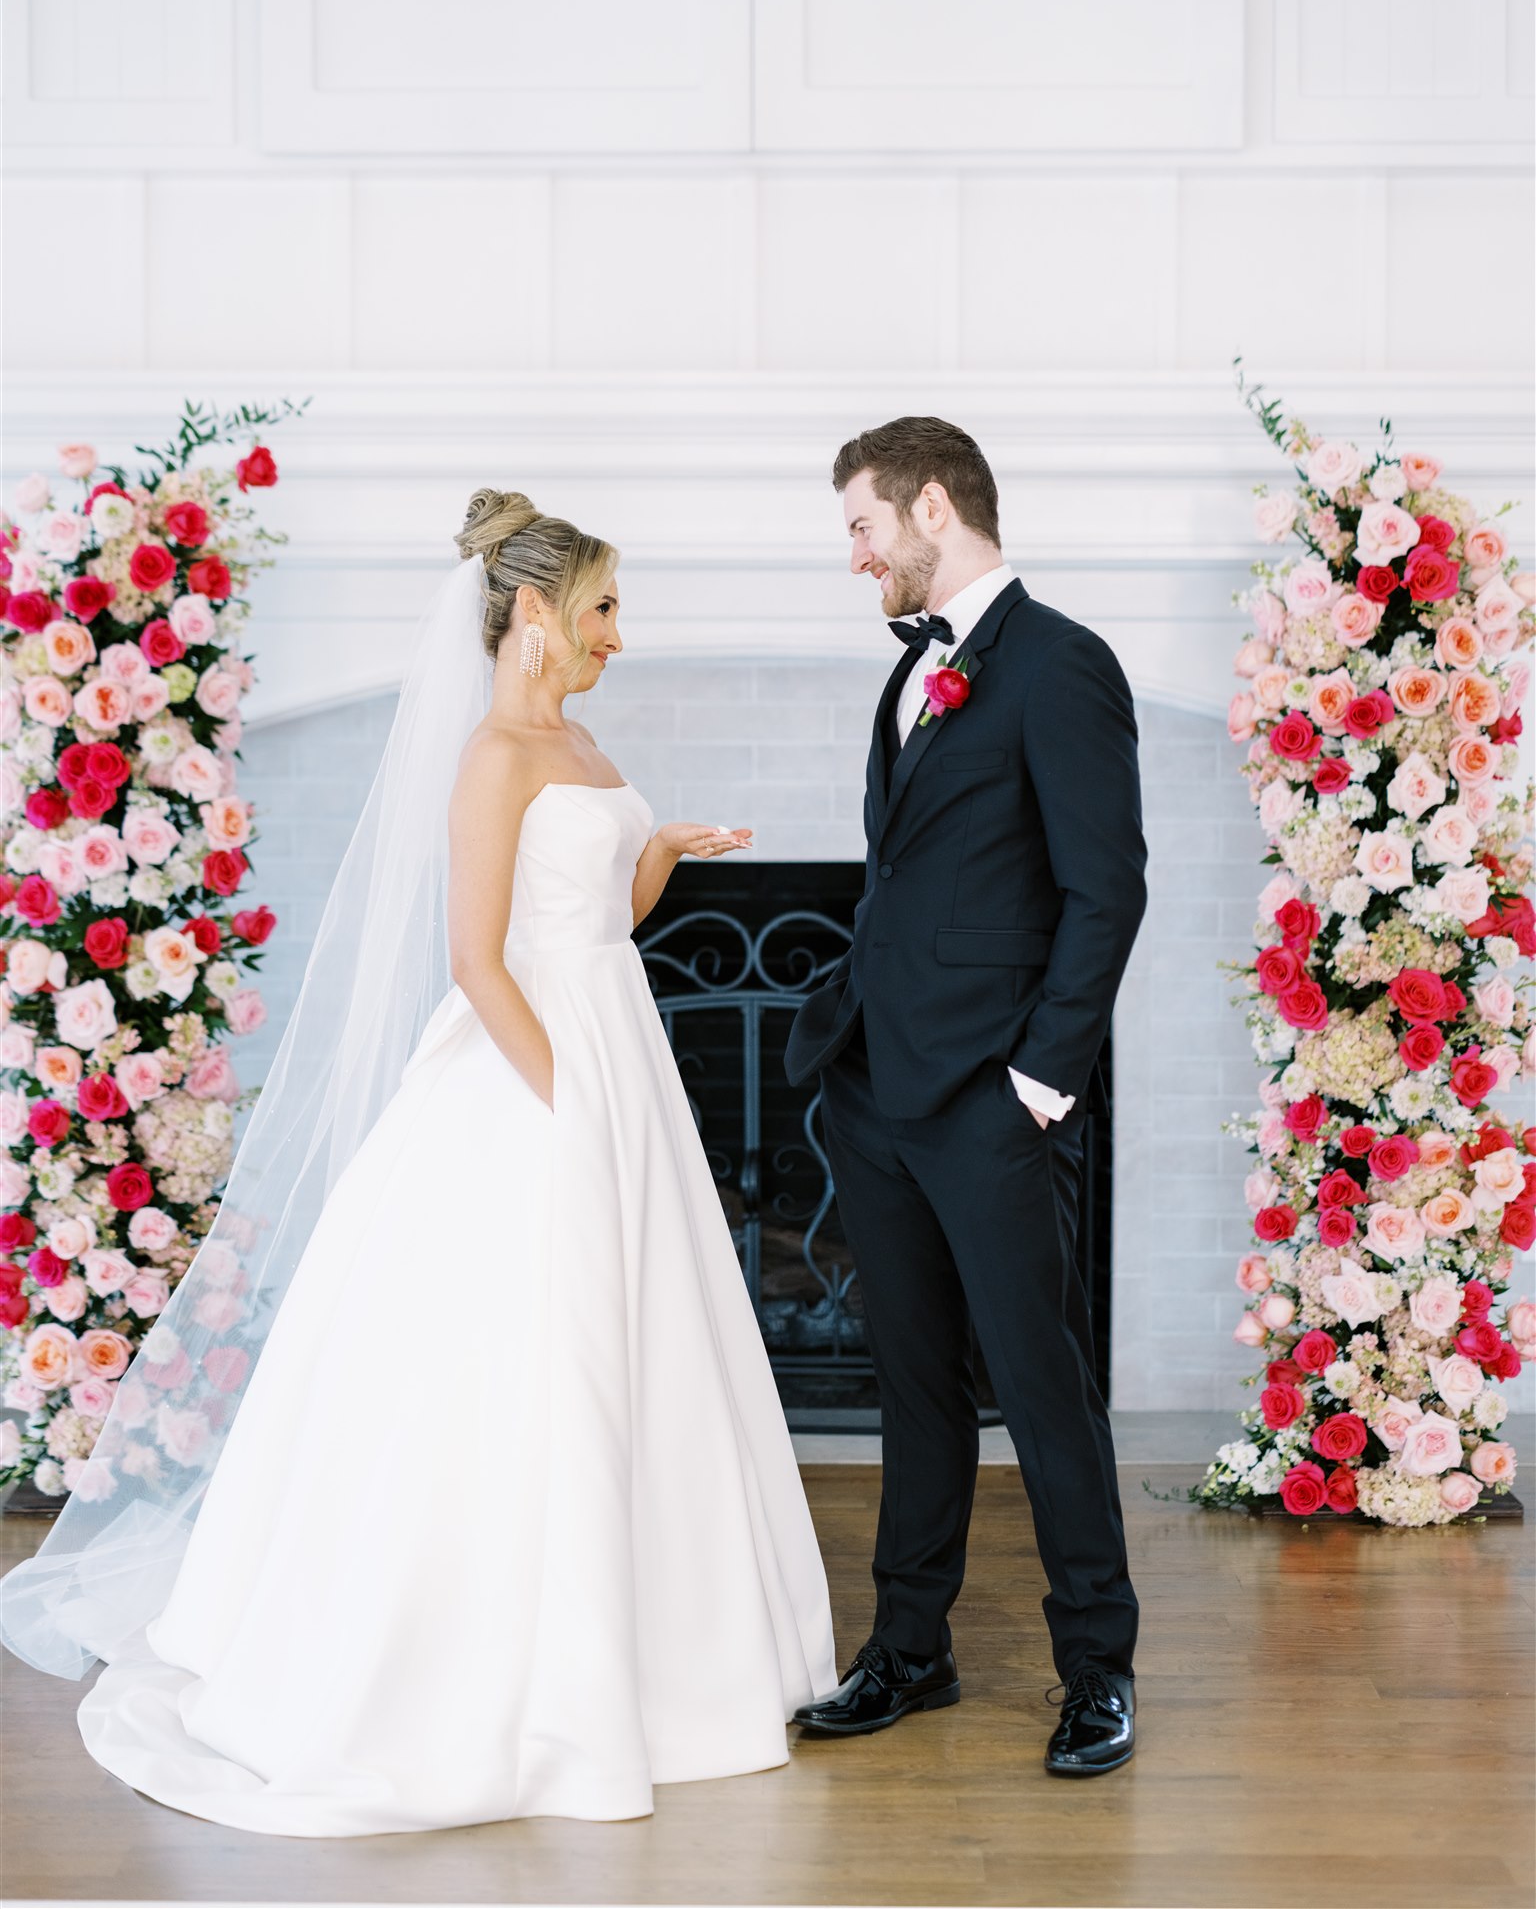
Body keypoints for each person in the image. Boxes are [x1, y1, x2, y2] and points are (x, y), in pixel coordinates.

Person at [0, 490, 837, 1836]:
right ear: (538, 615)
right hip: (532, 1068)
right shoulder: (493, 754)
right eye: (606, 608)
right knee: (536, 1354)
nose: (622, 634)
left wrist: (661, 853)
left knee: (638, 1348)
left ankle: (665, 1663)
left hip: (611, 1049)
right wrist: (566, 1099)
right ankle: (499, 1682)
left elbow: (600, 919)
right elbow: (478, 957)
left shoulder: (575, 736)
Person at [784, 418, 1146, 1776]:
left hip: (994, 1098)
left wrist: (1040, 1083)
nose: (857, 556)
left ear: (936, 506)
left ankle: (1098, 1667)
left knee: (1043, 1390)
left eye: (864, 527)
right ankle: (911, 1649)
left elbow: (1106, 891)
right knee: (915, 1384)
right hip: (876, 1090)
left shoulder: (1063, 667)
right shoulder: (910, 677)